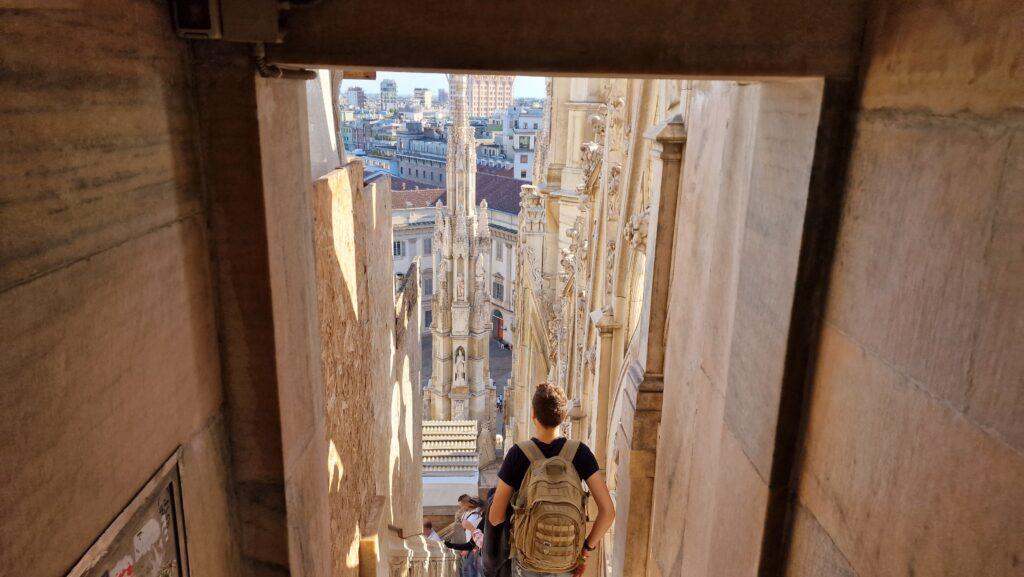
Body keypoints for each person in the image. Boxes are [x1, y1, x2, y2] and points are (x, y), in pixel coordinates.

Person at [489, 383, 615, 577]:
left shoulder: (518, 454)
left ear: (533, 415)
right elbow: (608, 512)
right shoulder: (580, 453)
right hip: (567, 561)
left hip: (527, 563)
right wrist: (585, 550)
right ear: (564, 417)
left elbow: (496, 516)